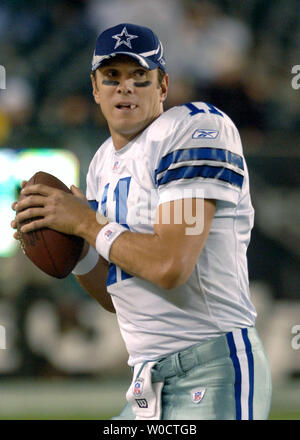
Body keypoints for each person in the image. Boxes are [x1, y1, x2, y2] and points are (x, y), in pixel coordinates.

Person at [12, 23, 272, 420]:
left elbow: (169, 267)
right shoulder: (102, 163)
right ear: (95, 89)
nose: (125, 87)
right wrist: (79, 250)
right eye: (112, 77)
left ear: (163, 86)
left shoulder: (195, 129)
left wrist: (86, 223)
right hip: (147, 382)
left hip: (211, 369)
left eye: (140, 76)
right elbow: (121, 294)